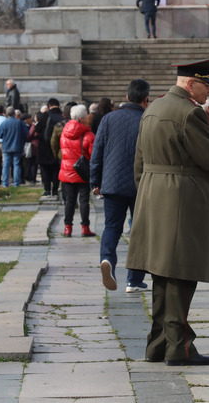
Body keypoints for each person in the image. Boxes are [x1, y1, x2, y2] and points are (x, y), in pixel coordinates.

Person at [125, 58, 209, 366]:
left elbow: (139, 163)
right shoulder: (189, 112)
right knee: (181, 275)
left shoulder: (153, 109)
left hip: (153, 195)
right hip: (181, 199)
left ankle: (158, 344)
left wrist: (148, 192)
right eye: (205, 84)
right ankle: (180, 347)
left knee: (162, 273)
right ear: (190, 83)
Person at [91, 80, 151, 292]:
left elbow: (97, 152)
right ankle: (134, 279)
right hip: (141, 184)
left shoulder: (108, 119)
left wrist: (95, 181)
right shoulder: (147, 119)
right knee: (140, 230)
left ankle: (107, 259)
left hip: (112, 183)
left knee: (112, 226)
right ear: (146, 99)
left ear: (126, 97)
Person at [58, 105, 96, 237]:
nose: (87, 117)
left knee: (70, 200)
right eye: (86, 114)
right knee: (84, 200)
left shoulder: (65, 132)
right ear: (81, 118)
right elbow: (93, 155)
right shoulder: (89, 135)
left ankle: (67, 228)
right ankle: (85, 227)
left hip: (67, 171)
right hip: (82, 172)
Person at [0, 106, 28, 187]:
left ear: (6, 114)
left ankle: (5, 183)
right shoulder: (20, 123)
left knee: (6, 165)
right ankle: (16, 183)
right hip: (17, 146)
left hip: (6, 146)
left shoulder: (4, 123)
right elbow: (26, 134)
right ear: (14, 113)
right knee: (16, 164)